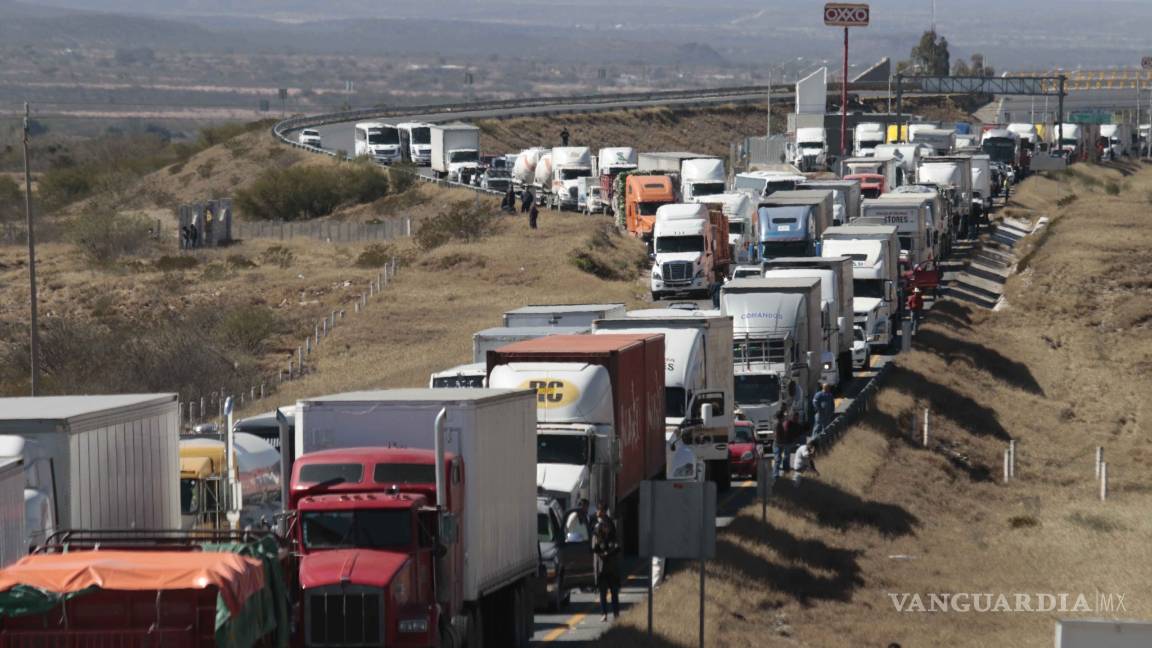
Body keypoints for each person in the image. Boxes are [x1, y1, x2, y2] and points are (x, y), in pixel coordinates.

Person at [591, 504, 621, 622]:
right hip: (601, 566)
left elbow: (617, 545)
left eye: (600, 510)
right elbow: (594, 546)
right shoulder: (595, 526)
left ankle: (616, 613)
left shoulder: (612, 525)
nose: (598, 512)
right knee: (603, 593)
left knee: (614, 592)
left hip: (611, 565)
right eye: (598, 510)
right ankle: (604, 613)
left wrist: (609, 552)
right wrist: (600, 553)